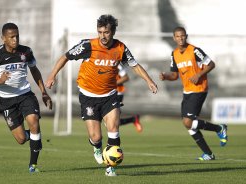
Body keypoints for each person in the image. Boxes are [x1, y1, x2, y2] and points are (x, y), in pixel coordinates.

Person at [46, 14, 158, 176]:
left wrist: (149, 80)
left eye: (106, 32)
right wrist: (52, 75)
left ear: (113, 32)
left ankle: (110, 166)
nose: (102, 36)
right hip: (88, 96)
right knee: (96, 136)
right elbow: (65, 57)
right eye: (100, 32)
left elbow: (135, 65)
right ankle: (97, 148)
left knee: (113, 129)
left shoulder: (120, 48)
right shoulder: (88, 46)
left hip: (110, 96)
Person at [0, 23, 52, 172]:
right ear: (3, 38)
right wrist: (0, 81)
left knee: (33, 121)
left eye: (17, 36)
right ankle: (35, 136)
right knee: (21, 139)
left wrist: (44, 92)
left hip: (24, 94)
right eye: (11, 37)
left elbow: (34, 71)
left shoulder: (26, 52)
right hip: (5, 99)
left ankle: (33, 165)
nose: (15, 39)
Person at [159, 26, 228, 160]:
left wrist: (199, 75)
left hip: (199, 89)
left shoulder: (195, 50)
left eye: (182, 35)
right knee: (189, 125)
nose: (180, 38)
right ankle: (208, 154)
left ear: (186, 36)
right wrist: (166, 76)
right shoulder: (174, 54)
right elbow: (174, 75)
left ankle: (219, 129)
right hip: (187, 91)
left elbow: (211, 64)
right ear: (174, 38)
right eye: (177, 36)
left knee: (188, 122)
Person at [117, 64, 142, 132]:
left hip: (116, 93)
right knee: (112, 122)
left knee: (112, 122)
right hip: (104, 94)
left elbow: (126, 78)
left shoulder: (114, 63)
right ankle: (133, 119)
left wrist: (110, 85)